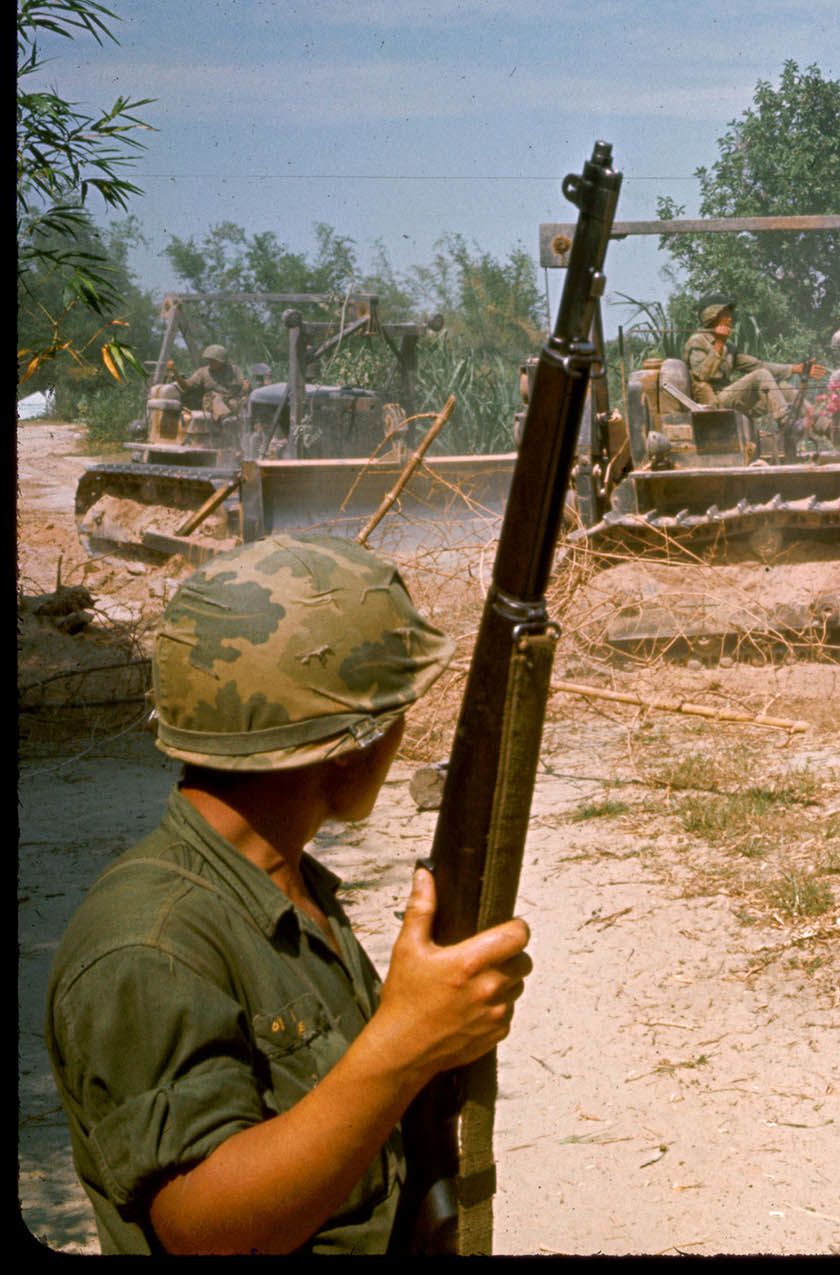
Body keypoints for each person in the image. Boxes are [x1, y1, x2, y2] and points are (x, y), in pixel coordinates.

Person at [45, 534, 533, 1254]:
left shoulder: (278, 882)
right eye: (394, 712)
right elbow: (202, 1229)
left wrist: (435, 1029)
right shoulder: (149, 943)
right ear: (351, 744)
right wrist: (404, 1042)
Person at [683, 298, 823, 426]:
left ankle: (824, 424)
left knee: (782, 387)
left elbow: (758, 365)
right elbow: (702, 375)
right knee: (761, 375)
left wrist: (795, 369)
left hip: (730, 399)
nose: (730, 319)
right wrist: (719, 343)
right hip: (712, 405)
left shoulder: (728, 347)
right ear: (712, 316)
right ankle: (786, 423)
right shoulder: (697, 341)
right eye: (725, 315)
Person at [176, 344, 252, 422]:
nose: (210, 362)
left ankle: (246, 423)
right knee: (214, 396)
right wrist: (177, 377)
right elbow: (187, 385)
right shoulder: (202, 372)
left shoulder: (234, 370)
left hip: (231, 400)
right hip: (211, 402)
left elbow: (244, 383)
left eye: (213, 361)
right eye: (209, 360)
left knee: (236, 403)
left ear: (222, 361)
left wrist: (246, 386)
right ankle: (225, 418)